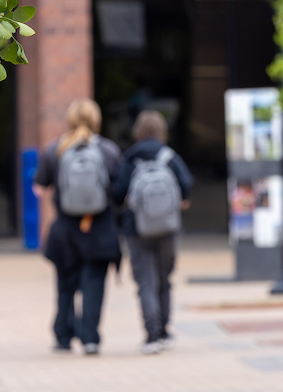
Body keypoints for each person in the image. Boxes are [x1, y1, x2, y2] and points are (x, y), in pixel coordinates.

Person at [33, 99, 123, 356]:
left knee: (65, 284)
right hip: (99, 227)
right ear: (96, 120)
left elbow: (40, 187)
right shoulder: (108, 150)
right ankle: (90, 337)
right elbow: (118, 191)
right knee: (94, 283)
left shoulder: (54, 150)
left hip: (65, 229)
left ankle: (63, 335)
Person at [111, 110, 193, 354]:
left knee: (146, 281)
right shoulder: (170, 157)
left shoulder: (129, 158)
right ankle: (165, 331)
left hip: (136, 228)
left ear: (137, 132)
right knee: (164, 279)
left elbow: (117, 193)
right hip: (168, 228)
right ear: (161, 131)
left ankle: (152, 334)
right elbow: (187, 184)